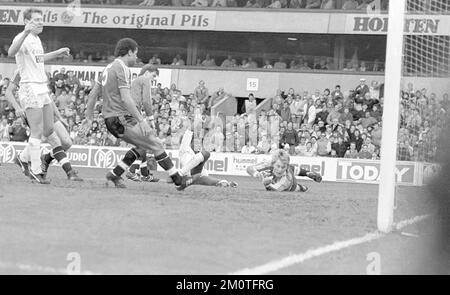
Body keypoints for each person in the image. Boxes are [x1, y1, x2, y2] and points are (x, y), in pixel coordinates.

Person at [82, 38, 190, 190]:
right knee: (156, 143)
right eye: (135, 54)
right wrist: (142, 120)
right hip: (121, 118)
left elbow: (93, 94)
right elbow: (126, 98)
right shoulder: (122, 68)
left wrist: (88, 117)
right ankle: (179, 180)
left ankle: (115, 174)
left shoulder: (107, 68)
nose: (136, 58)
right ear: (130, 52)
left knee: (141, 146)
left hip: (111, 119)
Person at [8, 8, 71, 184]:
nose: (40, 22)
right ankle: (36, 170)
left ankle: (22, 157)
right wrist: (26, 31)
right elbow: (11, 52)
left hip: (42, 87)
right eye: (36, 20)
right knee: (36, 131)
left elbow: (39, 59)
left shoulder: (36, 39)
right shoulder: (23, 37)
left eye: (41, 19)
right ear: (27, 22)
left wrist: (58, 52)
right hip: (29, 87)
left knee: (49, 129)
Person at [5, 69, 83, 181]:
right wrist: (17, 108)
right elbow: (8, 92)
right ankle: (70, 172)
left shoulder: (39, 68)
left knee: (66, 142)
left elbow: (48, 97)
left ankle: (38, 158)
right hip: (33, 109)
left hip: (47, 109)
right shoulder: (21, 70)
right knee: (54, 141)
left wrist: (59, 116)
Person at [126, 64, 162, 183]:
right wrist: (151, 119)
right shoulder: (145, 80)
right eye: (153, 76)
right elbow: (147, 101)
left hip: (129, 112)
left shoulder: (136, 81)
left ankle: (144, 173)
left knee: (143, 142)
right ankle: (132, 171)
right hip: (133, 112)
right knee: (143, 143)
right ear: (147, 72)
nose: (153, 79)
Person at [167, 129, 238, 188]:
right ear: (190, 143)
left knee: (203, 177)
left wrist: (226, 183)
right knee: (206, 154)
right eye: (196, 142)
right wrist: (193, 126)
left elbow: (205, 176)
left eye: (199, 143)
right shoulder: (185, 149)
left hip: (195, 176)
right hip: (188, 174)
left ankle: (225, 183)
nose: (198, 145)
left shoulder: (198, 156)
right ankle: (180, 175)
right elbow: (187, 136)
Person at [246, 149, 322, 192]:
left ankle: (303, 186)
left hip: (291, 185)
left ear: (287, 165)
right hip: (287, 171)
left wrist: (266, 184)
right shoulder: (268, 164)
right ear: (273, 163)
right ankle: (309, 174)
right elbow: (249, 168)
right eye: (278, 166)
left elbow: (274, 190)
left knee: (296, 188)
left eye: (283, 167)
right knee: (294, 169)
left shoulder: (287, 179)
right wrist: (256, 174)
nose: (280, 170)